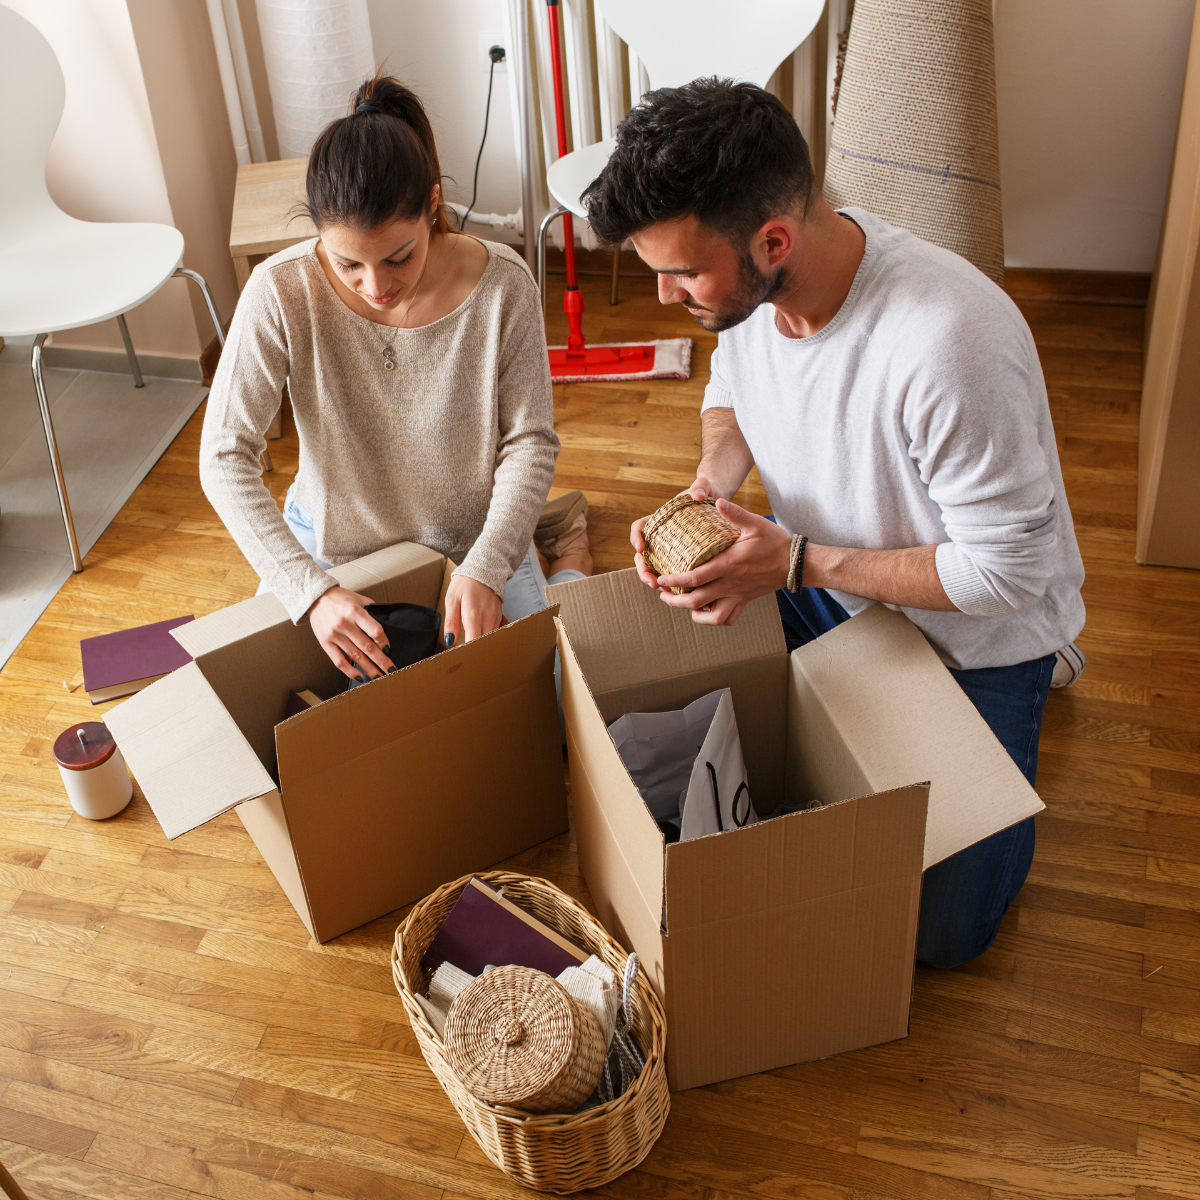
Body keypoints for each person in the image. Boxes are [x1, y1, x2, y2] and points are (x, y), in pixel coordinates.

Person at [583, 78, 1087, 970]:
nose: (665, 296)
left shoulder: (947, 342)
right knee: (634, 679)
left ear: (773, 239)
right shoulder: (743, 294)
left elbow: (1010, 576)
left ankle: (1052, 668)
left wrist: (798, 562)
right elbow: (731, 394)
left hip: (970, 637)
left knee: (940, 935)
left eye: (681, 271)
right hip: (820, 580)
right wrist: (708, 490)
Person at [200, 75, 591, 685]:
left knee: (549, 716)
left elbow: (530, 442)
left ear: (432, 205)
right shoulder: (278, 290)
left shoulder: (504, 283)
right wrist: (310, 592)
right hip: (330, 545)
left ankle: (570, 557)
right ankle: (553, 542)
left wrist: (488, 565)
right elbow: (224, 457)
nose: (376, 287)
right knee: (284, 718)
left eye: (399, 256)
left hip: (472, 546)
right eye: (347, 263)